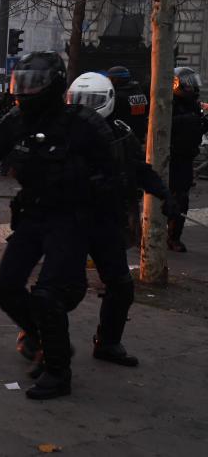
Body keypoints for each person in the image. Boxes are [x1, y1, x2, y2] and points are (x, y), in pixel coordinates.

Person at [0, 51, 119, 399]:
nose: (25, 92)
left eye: (34, 85)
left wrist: (92, 193)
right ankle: (44, 338)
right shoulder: (15, 120)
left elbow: (114, 170)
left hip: (70, 219)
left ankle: (59, 372)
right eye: (22, 84)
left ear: (55, 85)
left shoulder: (83, 123)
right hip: (32, 214)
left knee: (49, 294)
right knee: (5, 286)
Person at [66, 72, 180, 366]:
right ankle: (37, 335)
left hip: (106, 221)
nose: (85, 106)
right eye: (80, 99)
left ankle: (108, 342)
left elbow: (139, 170)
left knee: (120, 285)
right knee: (65, 288)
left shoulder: (119, 132)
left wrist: (165, 194)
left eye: (92, 100)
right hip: (71, 221)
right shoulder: (61, 132)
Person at [167, 67, 208, 252]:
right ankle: (161, 234)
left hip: (186, 157)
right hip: (171, 157)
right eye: (188, 83)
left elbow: (197, 130)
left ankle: (174, 236)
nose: (192, 87)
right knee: (169, 197)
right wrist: (193, 120)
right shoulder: (170, 103)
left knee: (182, 198)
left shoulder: (192, 104)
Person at [106, 66, 149, 141]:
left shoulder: (118, 96)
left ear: (116, 79)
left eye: (109, 79)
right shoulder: (139, 91)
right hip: (140, 133)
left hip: (123, 135)